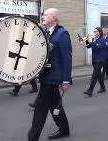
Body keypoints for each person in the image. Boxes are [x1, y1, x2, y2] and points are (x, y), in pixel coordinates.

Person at [28, 8, 72, 141]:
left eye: (46, 15)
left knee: (40, 109)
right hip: (45, 75)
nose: (43, 17)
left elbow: (67, 58)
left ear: (55, 18)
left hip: (53, 77)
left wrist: (66, 80)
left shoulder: (62, 34)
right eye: (43, 15)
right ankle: (64, 130)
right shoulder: (45, 32)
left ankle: (32, 137)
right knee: (54, 104)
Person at [84, 27, 108, 96]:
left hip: (100, 60)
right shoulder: (94, 39)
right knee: (99, 75)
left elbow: (98, 46)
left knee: (94, 75)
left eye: (96, 31)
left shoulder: (102, 40)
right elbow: (88, 46)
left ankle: (90, 90)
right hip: (94, 60)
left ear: (100, 32)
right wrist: (86, 40)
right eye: (94, 31)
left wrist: (92, 42)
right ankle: (103, 87)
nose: (94, 33)